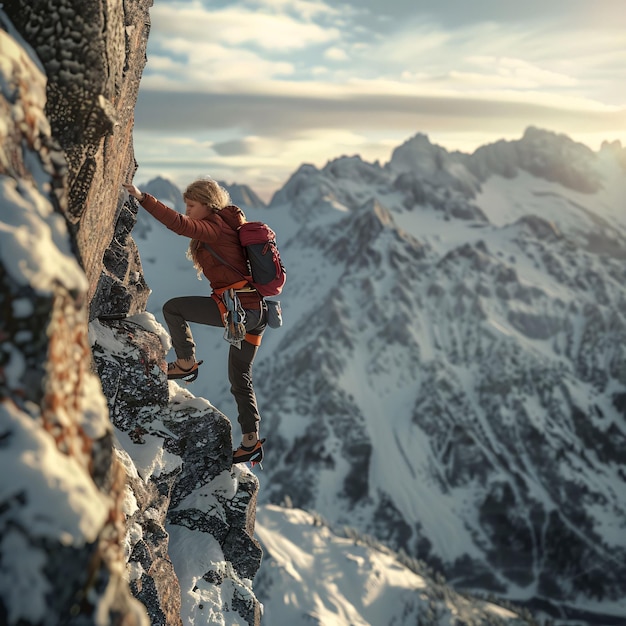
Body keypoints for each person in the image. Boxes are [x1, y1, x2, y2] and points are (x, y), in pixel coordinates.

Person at [122, 179, 266, 464]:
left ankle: (186, 363)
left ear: (208, 205)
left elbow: (180, 225)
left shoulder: (214, 228)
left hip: (239, 311)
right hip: (254, 312)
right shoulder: (226, 226)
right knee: (240, 378)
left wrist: (143, 198)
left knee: (174, 309)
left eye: (191, 205)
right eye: (185, 205)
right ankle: (251, 442)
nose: (186, 210)